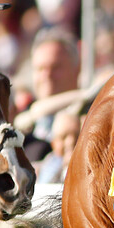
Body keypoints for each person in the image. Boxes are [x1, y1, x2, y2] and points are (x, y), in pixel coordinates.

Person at [20, 27, 81, 162]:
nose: (47, 75)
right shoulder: (22, 125)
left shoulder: (90, 116)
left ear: (77, 68)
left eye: (56, 67)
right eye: (40, 68)